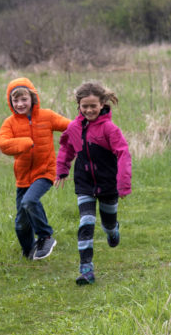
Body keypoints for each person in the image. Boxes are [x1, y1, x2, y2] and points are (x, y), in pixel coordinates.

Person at [55, 81, 132, 285]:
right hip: (85, 183)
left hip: (108, 184)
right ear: (78, 106)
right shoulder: (74, 127)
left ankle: (113, 230)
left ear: (102, 104)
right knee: (86, 221)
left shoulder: (110, 129)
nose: (89, 110)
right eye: (84, 106)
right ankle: (86, 269)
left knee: (107, 224)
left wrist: (123, 184)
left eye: (93, 106)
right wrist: (62, 170)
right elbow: (66, 148)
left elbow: (123, 154)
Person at [0, 77, 70, 260]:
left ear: (33, 98)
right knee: (21, 223)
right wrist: (25, 143)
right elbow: (3, 144)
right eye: (16, 100)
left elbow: (70, 127)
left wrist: (90, 124)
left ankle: (45, 237)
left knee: (29, 201)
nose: (20, 104)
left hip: (45, 171)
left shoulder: (47, 116)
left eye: (24, 99)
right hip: (22, 177)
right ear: (10, 102)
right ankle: (29, 252)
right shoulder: (9, 123)